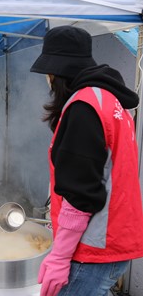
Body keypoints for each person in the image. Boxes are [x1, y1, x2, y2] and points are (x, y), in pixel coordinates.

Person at [30, 25, 143, 296]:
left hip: (91, 249)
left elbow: (81, 195)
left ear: (55, 73)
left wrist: (59, 256)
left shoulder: (83, 108)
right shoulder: (111, 101)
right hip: (115, 240)